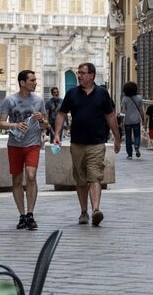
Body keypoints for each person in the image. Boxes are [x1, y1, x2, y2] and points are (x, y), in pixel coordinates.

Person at [53, 62, 121, 227]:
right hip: (77, 142)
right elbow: (62, 114)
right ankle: (84, 211)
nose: (79, 76)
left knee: (95, 176)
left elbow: (110, 116)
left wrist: (117, 138)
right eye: (78, 73)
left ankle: (95, 209)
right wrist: (56, 134)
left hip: (97, 142)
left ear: (92, 75)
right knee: (81, 179)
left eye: (82, 73)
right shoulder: (72, 93)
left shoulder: (102, 94)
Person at [0, 70, 48, 231]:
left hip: (33, 144)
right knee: (17, 180)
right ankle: (22, 215)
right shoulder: (9, 100)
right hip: (15, 145)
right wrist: (14, 125)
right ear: (22, 82)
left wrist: (42, 120)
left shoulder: (39, 100)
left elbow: (45, 124)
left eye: (35, 80)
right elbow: (1, 123)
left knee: (31, 176)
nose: (35, 83)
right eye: (32, 80)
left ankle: (31, 214)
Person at [120, 81, 145, 159]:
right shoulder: (139, 98)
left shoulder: (124, 99)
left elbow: (123, 111)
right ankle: (136, 145)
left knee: (128, 137)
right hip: (136, 120)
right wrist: (143, 119)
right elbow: (141, 110)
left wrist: (121, 120)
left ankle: (129, 154)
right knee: (137, 135)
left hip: (127, 120)